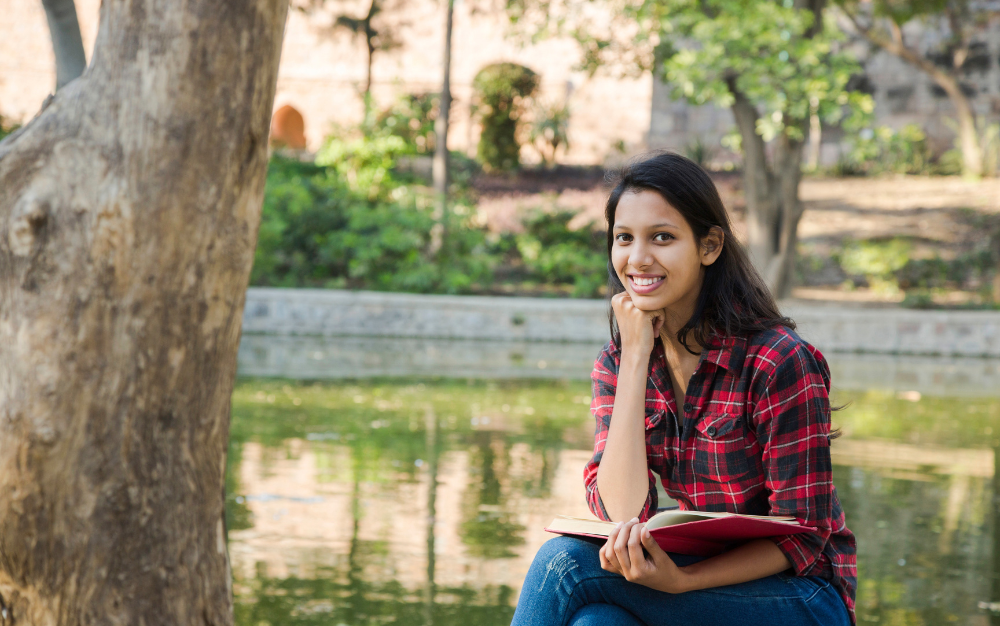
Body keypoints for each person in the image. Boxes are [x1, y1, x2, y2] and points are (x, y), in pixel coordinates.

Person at [510, 153, 856, 626]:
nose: (638, 258)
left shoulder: (777, 361)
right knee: (598, 624)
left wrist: (682, 582)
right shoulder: (619, 362)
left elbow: (804, 535)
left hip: (800, 595)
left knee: (563, 565)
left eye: (663, 238)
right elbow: (620, 511)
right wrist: (635, 359)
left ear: (709, 246)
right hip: (693, 578)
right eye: (624, 238)